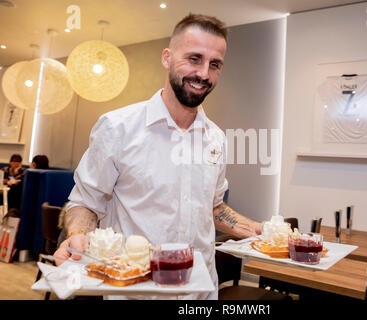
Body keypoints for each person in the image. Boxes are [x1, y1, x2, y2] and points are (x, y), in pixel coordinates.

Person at [54, 14, 263, 299]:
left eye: (214, 64)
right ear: (167, 57)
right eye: (194, 58)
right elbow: (86, 203)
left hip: (200, 294)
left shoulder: (216, 138)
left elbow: (213, 209)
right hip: (134, 293)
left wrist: (261, 231)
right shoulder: (118, 127)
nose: (204, 73)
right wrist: (77, 235)